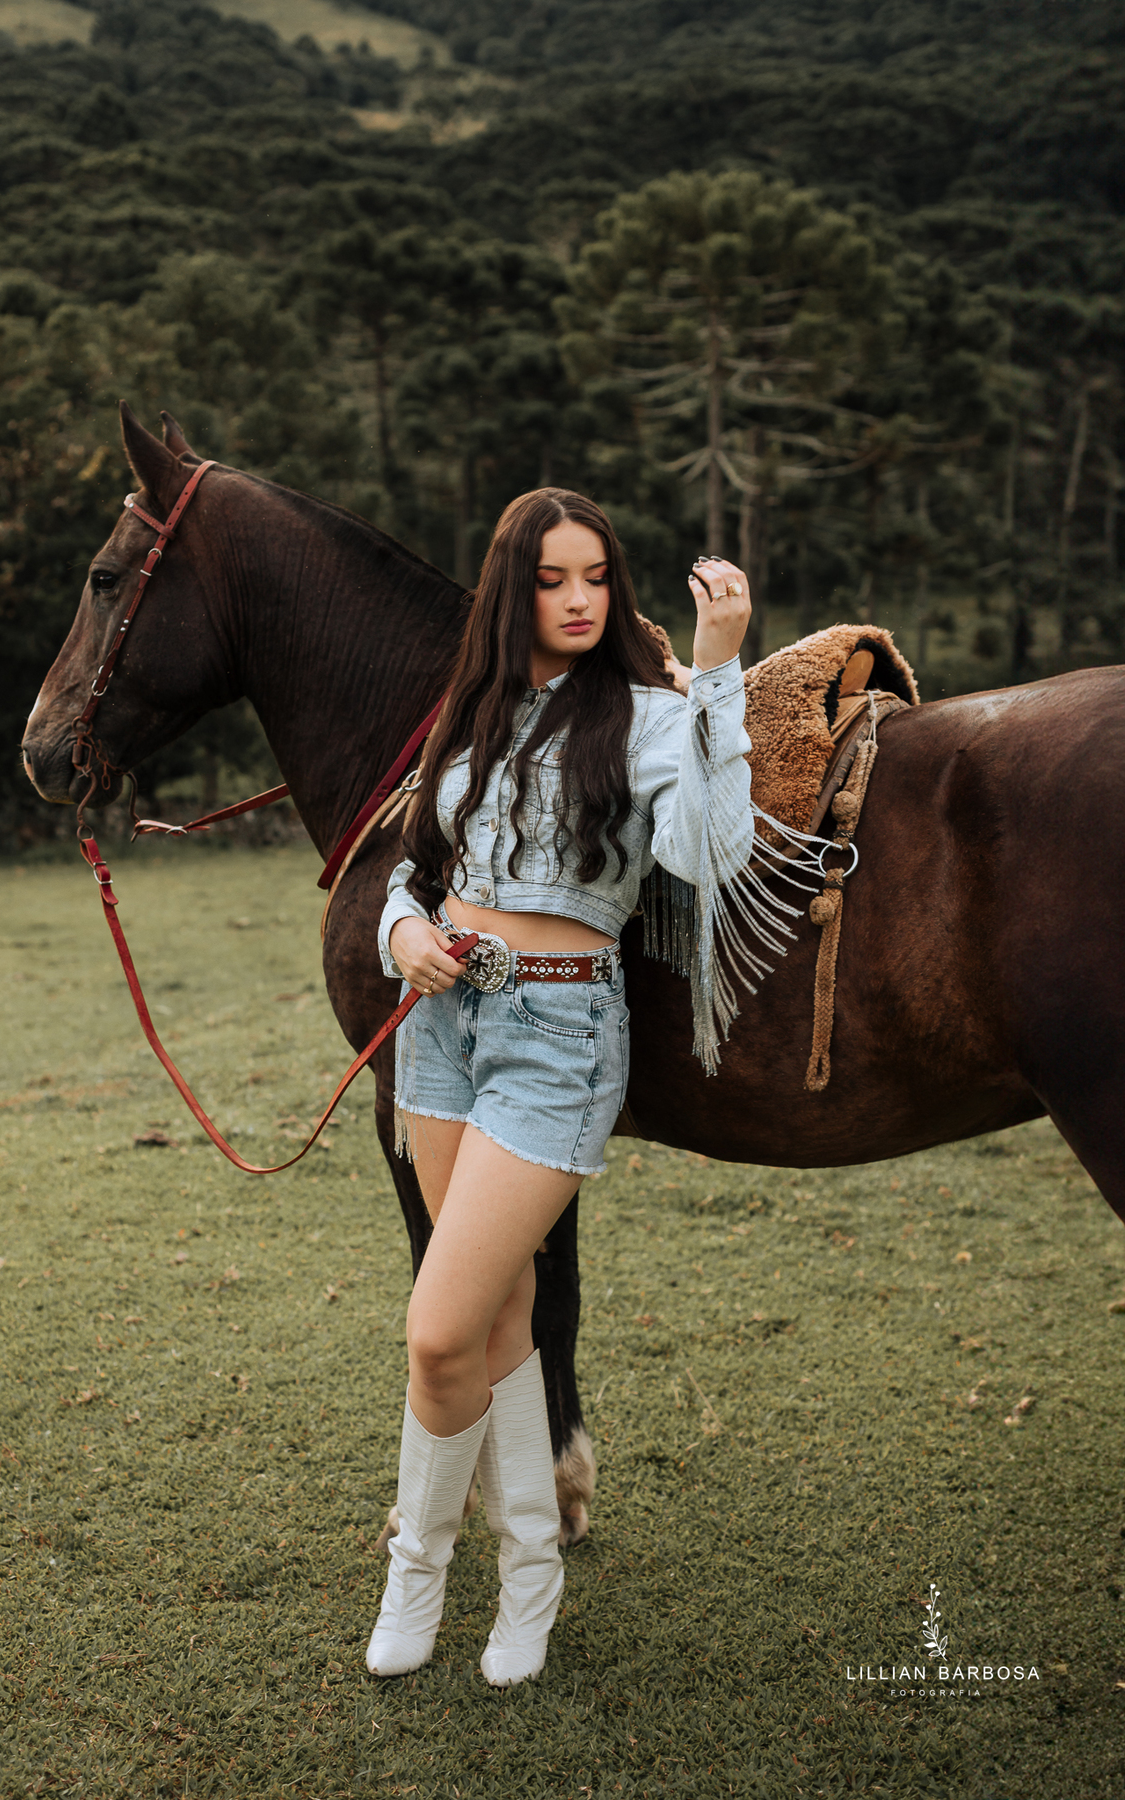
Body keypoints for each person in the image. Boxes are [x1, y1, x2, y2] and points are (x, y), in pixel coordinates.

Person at [367, 488, 753, 1686]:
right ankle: (523, 1578)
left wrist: (718, 671)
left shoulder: (646, 715)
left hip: (557, 1035)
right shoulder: (469, 713)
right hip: (441, 1029)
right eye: (552, 580)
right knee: (499, 1321)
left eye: (597, 577)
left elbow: (711, 852)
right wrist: (400, 934)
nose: (581, 599)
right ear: (510, 591)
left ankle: (424, 1566)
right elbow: (413, 867)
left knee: (439, 1333)